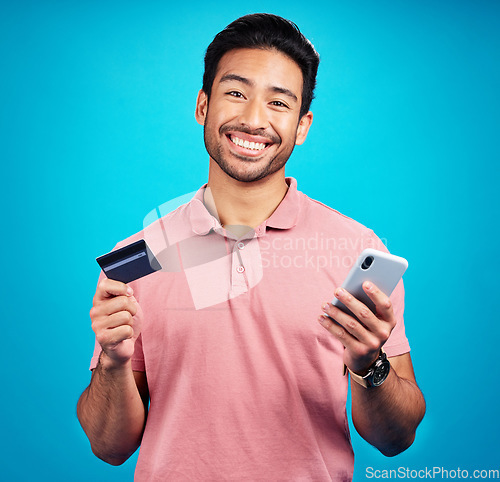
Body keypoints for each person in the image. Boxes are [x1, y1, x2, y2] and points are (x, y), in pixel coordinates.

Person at [77, 13, 425, 481]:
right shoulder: (135, 257)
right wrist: (115, 365)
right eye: (236, 93)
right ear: (203, 105)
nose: (253, 119)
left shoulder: (356, 250)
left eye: (279, 103)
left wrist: (369, 364)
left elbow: (397, 438)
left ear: (303, 126)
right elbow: (108, 446)